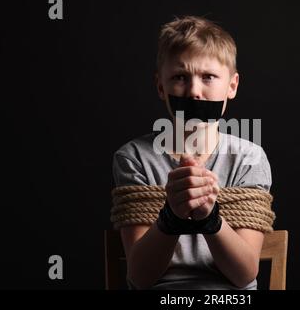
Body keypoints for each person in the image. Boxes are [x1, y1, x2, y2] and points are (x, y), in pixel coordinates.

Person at [112, 15, 273, 290]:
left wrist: (209, 219)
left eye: (208, 77)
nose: (194, 92)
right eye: (179, 77)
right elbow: (139, 277)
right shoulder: (134, 158)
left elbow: (245, 274)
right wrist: (172, 217)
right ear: (161, 86)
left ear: (232, 86)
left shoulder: (249, 159)